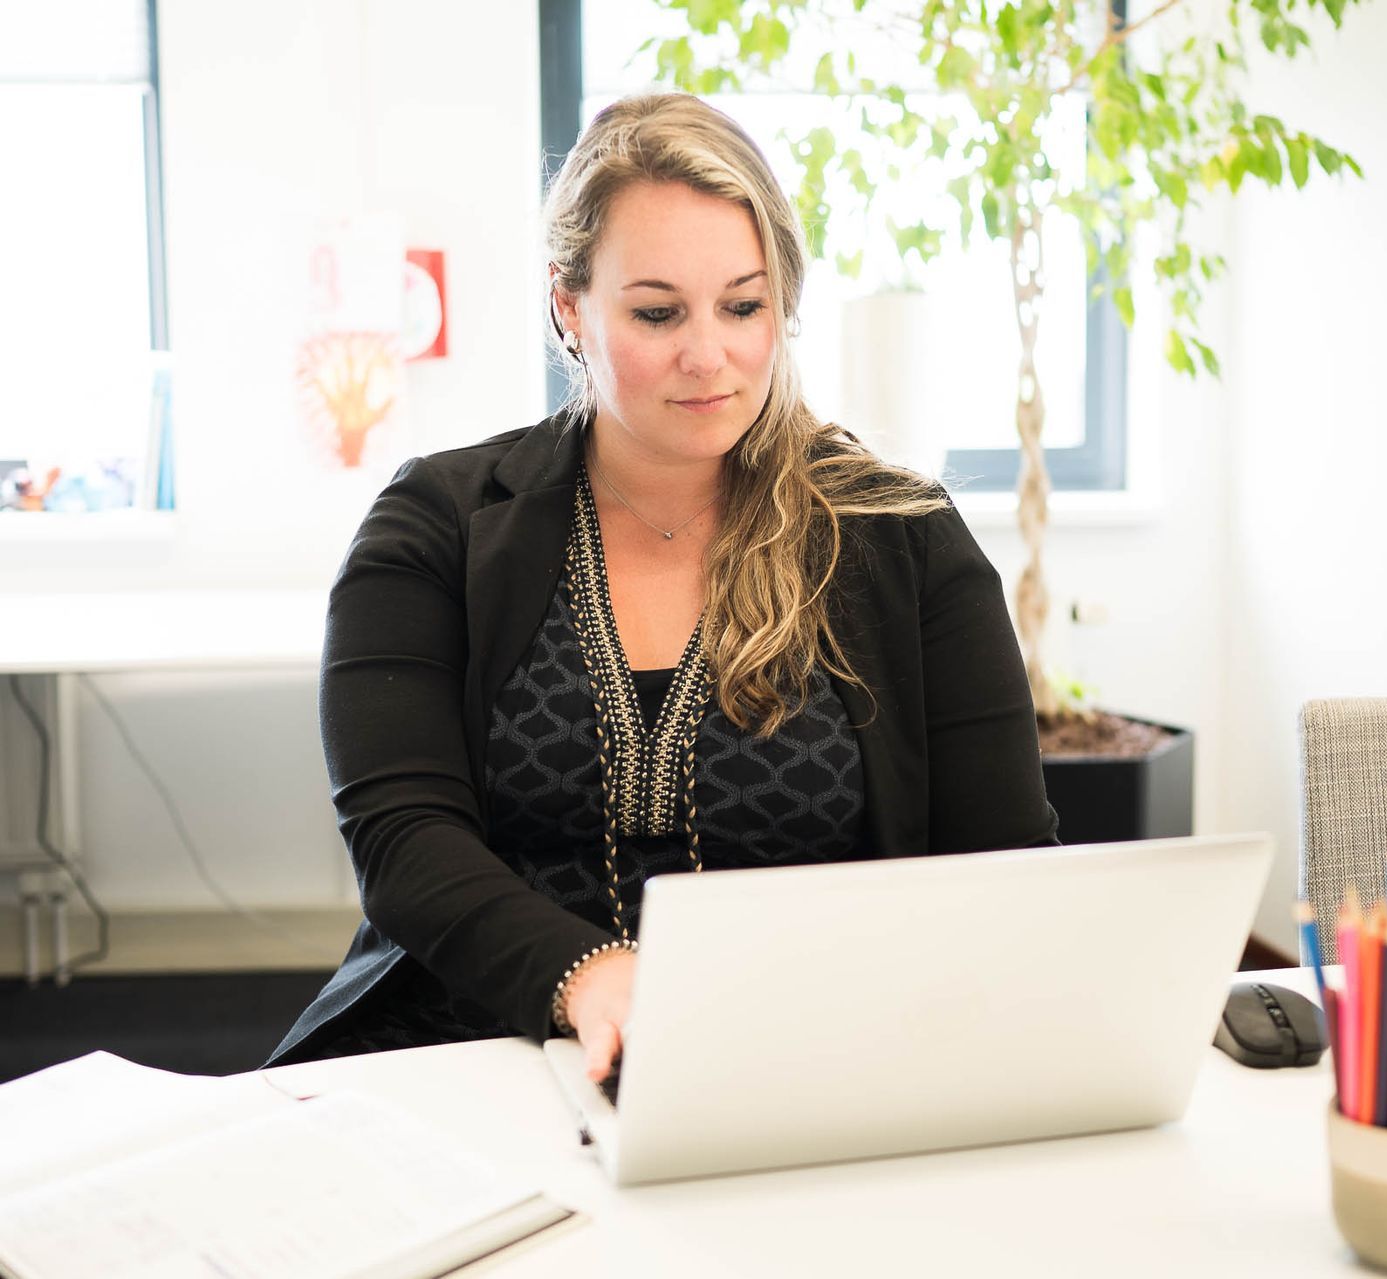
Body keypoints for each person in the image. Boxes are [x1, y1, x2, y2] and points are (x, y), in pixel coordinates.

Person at [268, 93, 1056, 1078]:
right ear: (568, 304)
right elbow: (403, 840)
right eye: (656, 312)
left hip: (810, 1060)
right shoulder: (436, 525)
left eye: (743, 305)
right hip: (477, 1046)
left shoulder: (902, 541)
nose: (708, 355)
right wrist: (586, 973)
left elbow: (1004, 870)